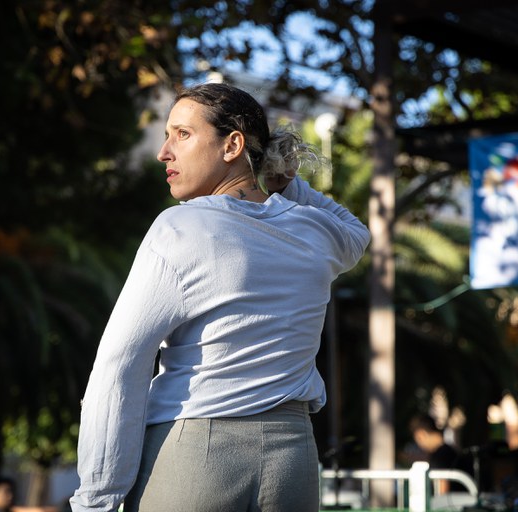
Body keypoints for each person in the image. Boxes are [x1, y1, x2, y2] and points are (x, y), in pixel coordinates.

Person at [70, 82, 370, 512]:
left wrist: (95, 499)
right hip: (293, 460)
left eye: (182, 134)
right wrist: (287, 185)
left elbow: (120, 365)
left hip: (196, 458)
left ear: (232, 145)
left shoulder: (179, 229)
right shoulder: (315, 231)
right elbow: (357, 232)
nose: (164, 152)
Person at [409, 414, 466, 493]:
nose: (420, 445)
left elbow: (442, 489)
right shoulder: (447, 451)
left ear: (421, 434)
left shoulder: (440, 457)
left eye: (418, 439)